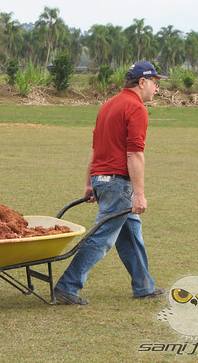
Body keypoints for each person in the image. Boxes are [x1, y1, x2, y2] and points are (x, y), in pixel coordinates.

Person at [54, 61, 167, 305]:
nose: (157, 89)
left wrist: (90, 183)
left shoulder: (108, 105)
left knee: (131, 233)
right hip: (118, 184)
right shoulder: (136, 108)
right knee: (103, 238)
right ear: (141, 82)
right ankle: (67, 286)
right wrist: (139, 194)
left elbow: (96, 149)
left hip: (102, 179)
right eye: (155, 83)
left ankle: (144, 286)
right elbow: (134, 154)